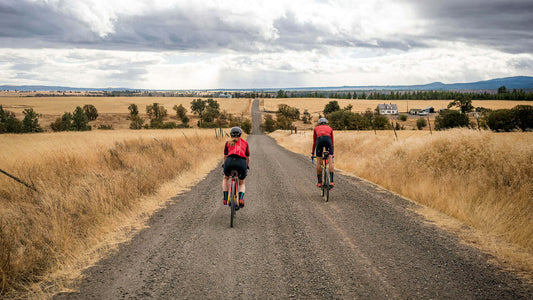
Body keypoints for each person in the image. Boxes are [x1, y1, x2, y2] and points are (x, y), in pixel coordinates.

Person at [223, 126, 250, 208]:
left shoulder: (228, 142)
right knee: (242, 182)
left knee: (225, 178)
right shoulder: (245, 143)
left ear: (231, 135)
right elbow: (248, 157)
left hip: (229, 161)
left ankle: (225, 198)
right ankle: (240, 199)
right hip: (241, 162)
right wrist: (247, 165)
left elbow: (225, 156)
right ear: (240, 135)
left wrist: (224, 164)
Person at [312, 117, 334, 187]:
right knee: (330, 160)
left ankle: (319, 182)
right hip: (328, 141)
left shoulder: (316, 128)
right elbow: (332, 142)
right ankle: (331, 181)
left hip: (319, 140)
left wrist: (312, 153)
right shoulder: (330, 128)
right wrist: (332, 153)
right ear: (326, 123)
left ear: (319, 123)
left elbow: (314, 142)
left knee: (318, 161)